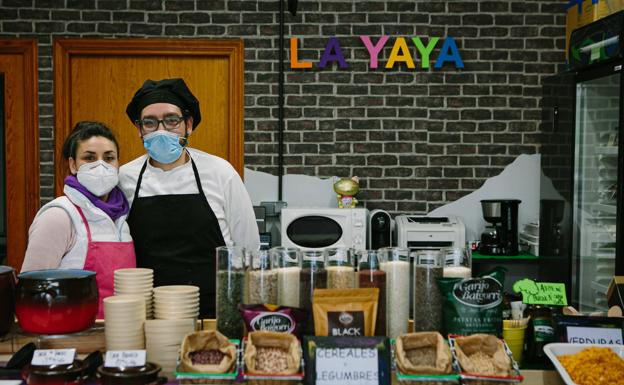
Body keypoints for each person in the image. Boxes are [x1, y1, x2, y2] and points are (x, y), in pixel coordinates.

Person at [120, 78, 260, 318]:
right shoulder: (125, 178)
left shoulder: (220, 172)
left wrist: (246, 310)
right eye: (150, 122)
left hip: (214, 311)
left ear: (188, 125)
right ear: (139, 129)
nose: (161, 130)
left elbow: (248, 249)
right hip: (148, 314)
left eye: (171, 120)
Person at [22, 121, 135, 317]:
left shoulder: (122, 219)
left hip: (121, 335)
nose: (101, 165)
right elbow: (30, 290)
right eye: (89, 158)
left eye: (109, 158)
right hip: (69, 336)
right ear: (73, 164)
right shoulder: (58, 216)